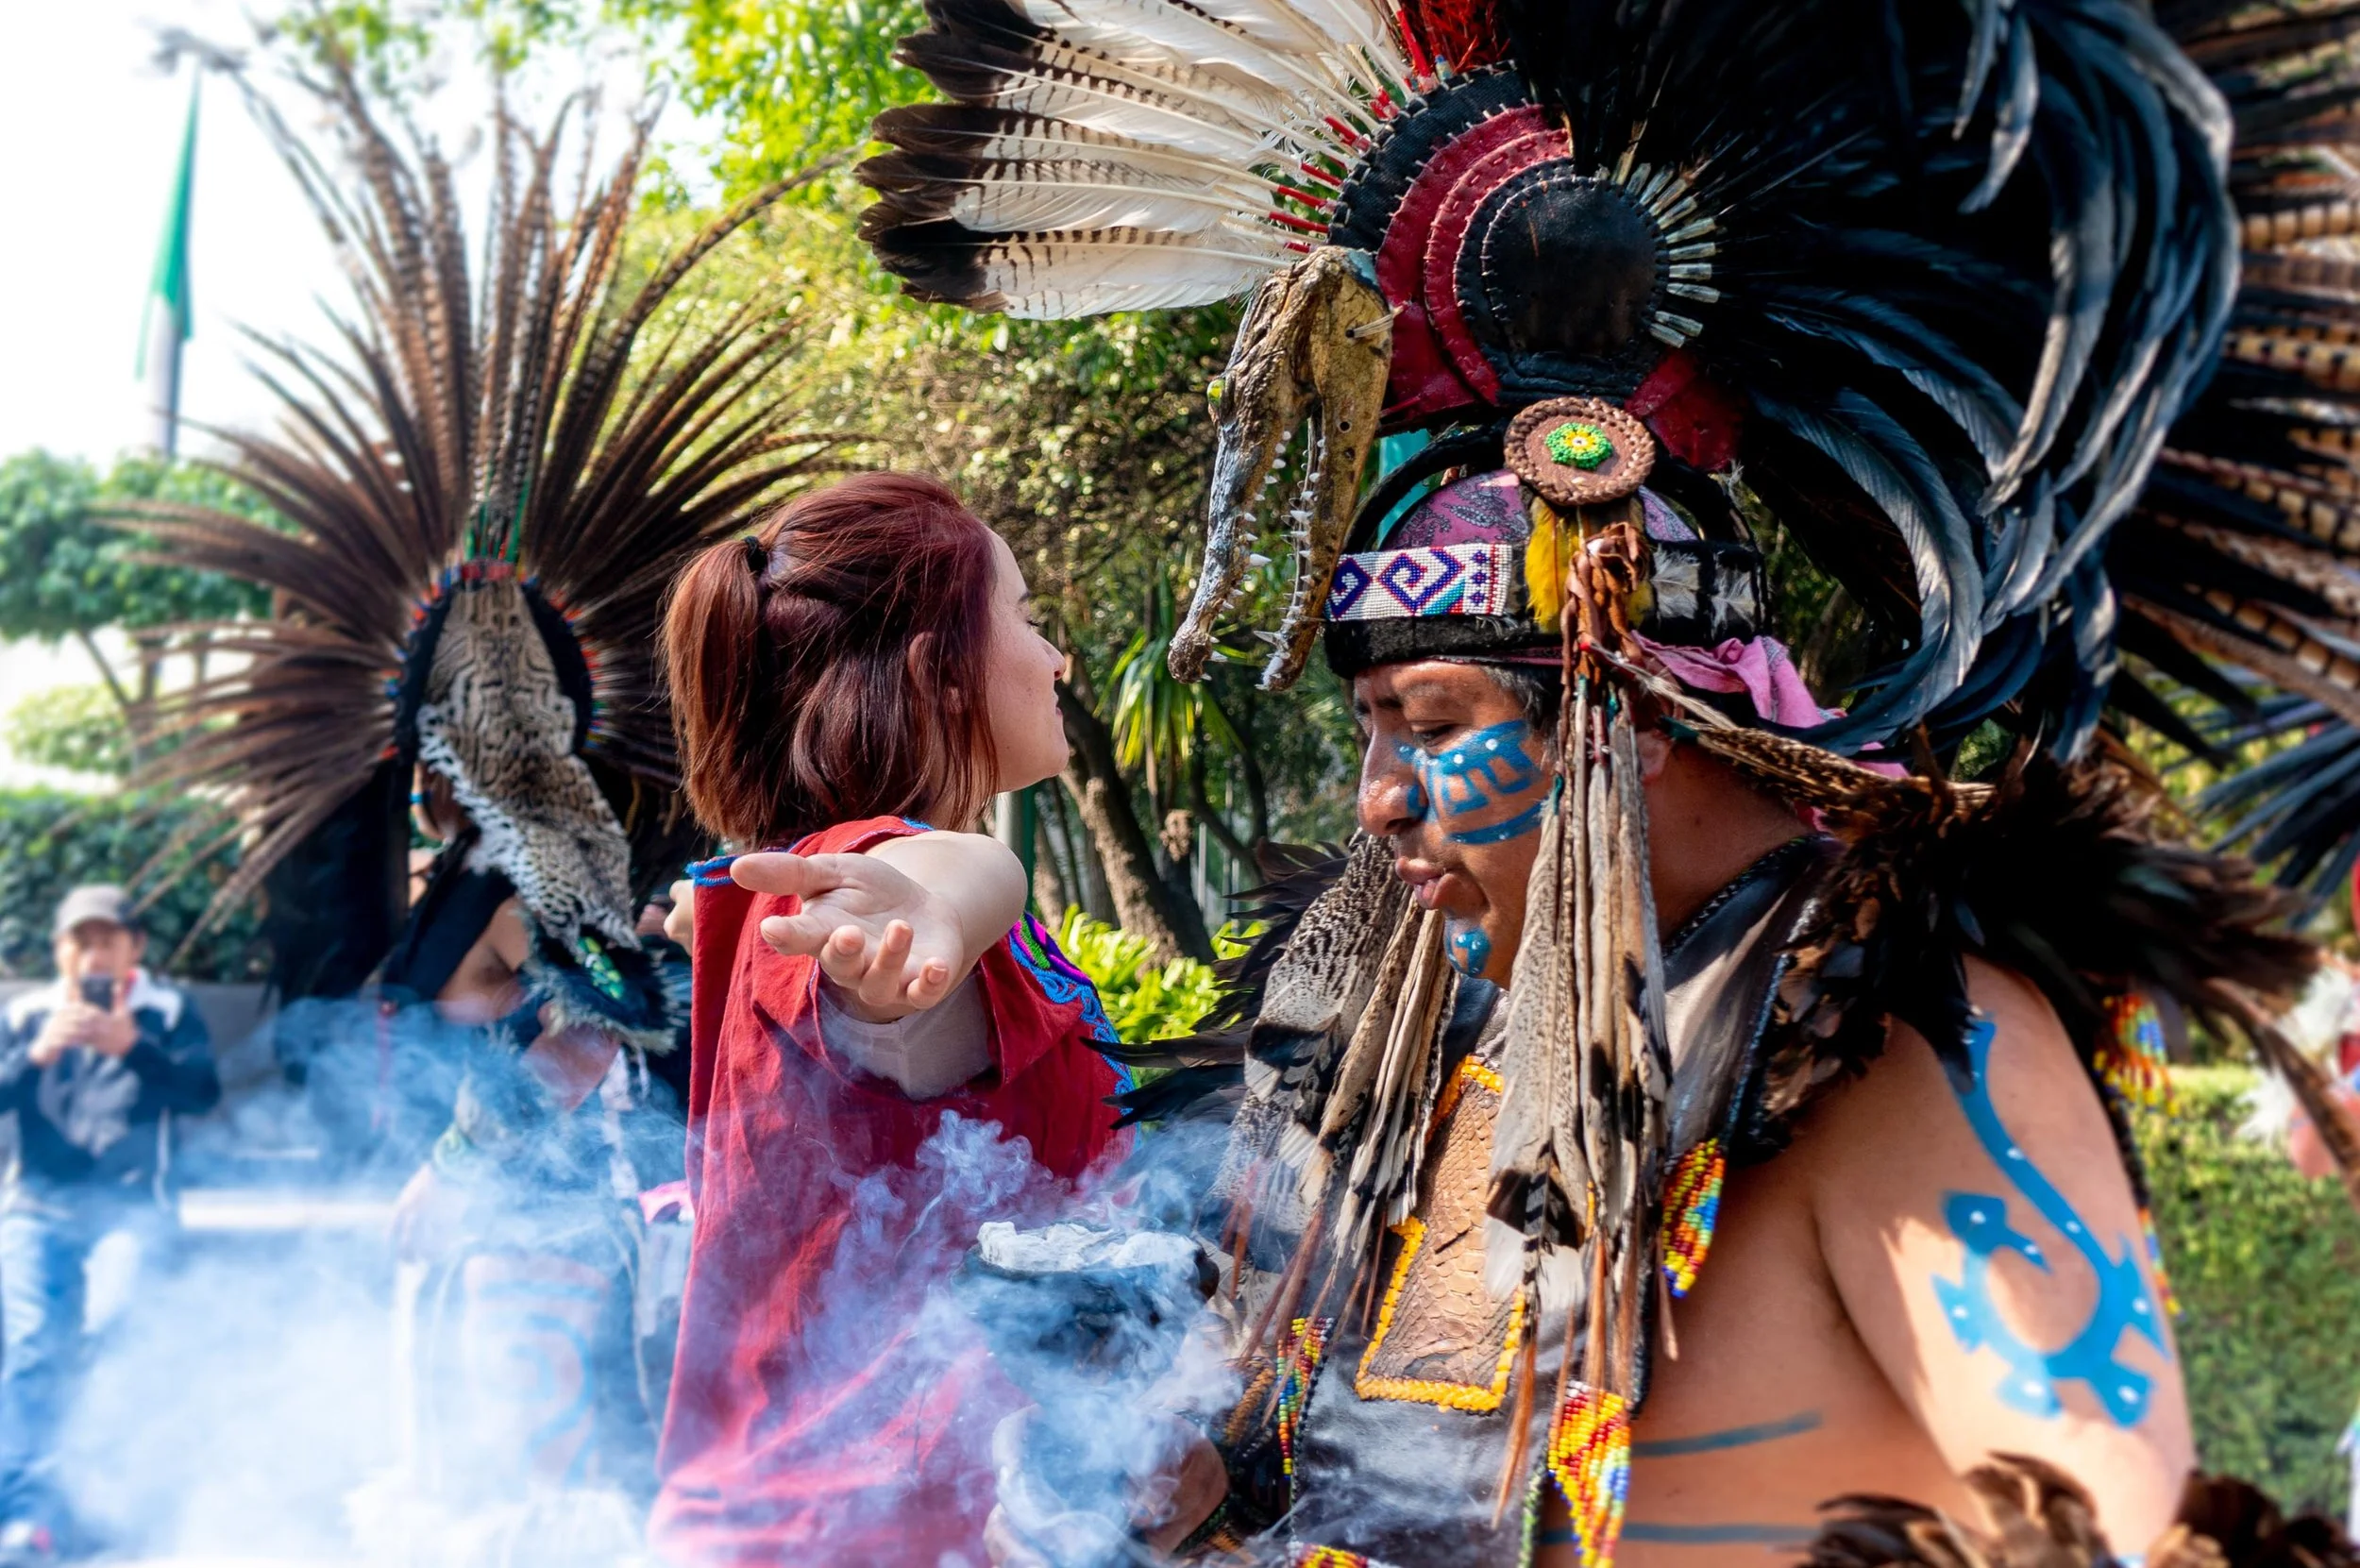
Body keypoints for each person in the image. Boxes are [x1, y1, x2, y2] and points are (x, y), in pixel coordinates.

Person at [857, 0, 2359, 1561]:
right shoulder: (1422, 1032)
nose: (1377, 799)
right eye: (1372, 730)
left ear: (1626, 718)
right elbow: (1328, 1487)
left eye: (1431, 725)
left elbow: (2118, 1530)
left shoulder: (1903, 1045)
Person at [121, 67, 826, 1560]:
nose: (483, 744)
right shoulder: (466, 879)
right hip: (478, 1242)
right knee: (476, 1493)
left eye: (507, 720)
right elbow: (417, 1006)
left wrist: (534, 1076)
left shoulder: (591, 881)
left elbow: (603, 1024)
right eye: (460, 722)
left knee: (533, 1500)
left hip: (555, 1249)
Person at [649, 472, 1130, 1566]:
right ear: (937, 671)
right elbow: (943, 869)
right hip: (862, 1535)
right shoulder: (863, 883)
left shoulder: (811, 900)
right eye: (1022, 613)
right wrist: (942, 895)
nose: (1055, 655)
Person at [0, 885, 219, 1561]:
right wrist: (34, 1056)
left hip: (133, 1207)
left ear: (135, 947)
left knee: (116, 1333)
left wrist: (135, 1048)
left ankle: (109, 1503)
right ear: (60, 949)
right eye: (80, 939)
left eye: (107, 938)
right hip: (37, 1205)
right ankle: (29, 1515)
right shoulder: (27, 1013)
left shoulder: (168, 1010)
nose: (93, 953)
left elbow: (203, 1092)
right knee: (35, 1346)